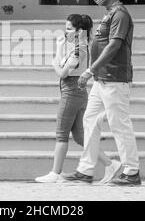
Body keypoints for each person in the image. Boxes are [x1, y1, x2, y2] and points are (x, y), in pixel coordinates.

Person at [62, 0, 141, 186]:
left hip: (114, 77)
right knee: (90, 120)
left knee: (119, 125)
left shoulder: (120, 14)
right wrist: (93, 71)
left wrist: (89, 70)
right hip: (101, 79)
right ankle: (86, 170)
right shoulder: (110, 15)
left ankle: (132, 171)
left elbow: (114, 45)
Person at [35, 14, 120, 183]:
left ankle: (55, 173)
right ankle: (111, 164)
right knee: (81, 137)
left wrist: (53, 63)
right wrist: (59, 49)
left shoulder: (78, 49)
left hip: (71, 93)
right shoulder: (80, 46)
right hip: (78, 93)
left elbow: (62, 72)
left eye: (68, 28)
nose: (65, 31)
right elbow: (63, 65)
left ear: (79, 30)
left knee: (61, 134)